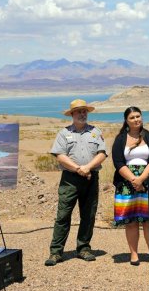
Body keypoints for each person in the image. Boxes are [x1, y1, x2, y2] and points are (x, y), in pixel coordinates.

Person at [45, 99, 107, 266]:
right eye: (79, 111)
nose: (82, 114)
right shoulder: (64, 133)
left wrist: (87, 168)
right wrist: (78, 168)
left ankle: (84, 248)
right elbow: (59, 155)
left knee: (88, 215)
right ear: (72, 114)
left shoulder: (95, 132)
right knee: (63, 215)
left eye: (84, 111)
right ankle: (56, 252)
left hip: (91, 178)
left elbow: (102, 153)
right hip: (70, 180)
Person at [111, 106, 149, 266]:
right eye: (132, 117)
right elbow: (118, 162)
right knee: (131, 221)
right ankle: (134, 254)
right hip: (126, 182)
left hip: (147, 182)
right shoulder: (120, 139)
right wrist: (134, 179)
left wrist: (142, 179)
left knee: (147, 221)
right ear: (126, 120)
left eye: (138, 116)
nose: (136, 120)